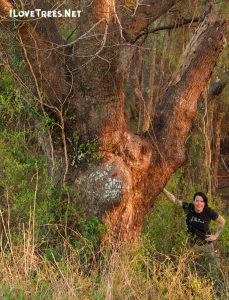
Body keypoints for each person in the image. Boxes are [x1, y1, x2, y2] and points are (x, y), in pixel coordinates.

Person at [163, 188, 226, 289]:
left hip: (206, 246)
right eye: (197, 200)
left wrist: (216, 235)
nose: (199, 203)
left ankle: (213, 290)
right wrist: (162, 189)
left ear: (204, 203)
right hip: (191, 246)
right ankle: (190, 290)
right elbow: (174, 200)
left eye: (202, 201)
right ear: (194, 201)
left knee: (211, 270)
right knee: (190, 269)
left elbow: (222, 221)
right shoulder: (189, 208)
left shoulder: (208, 211)